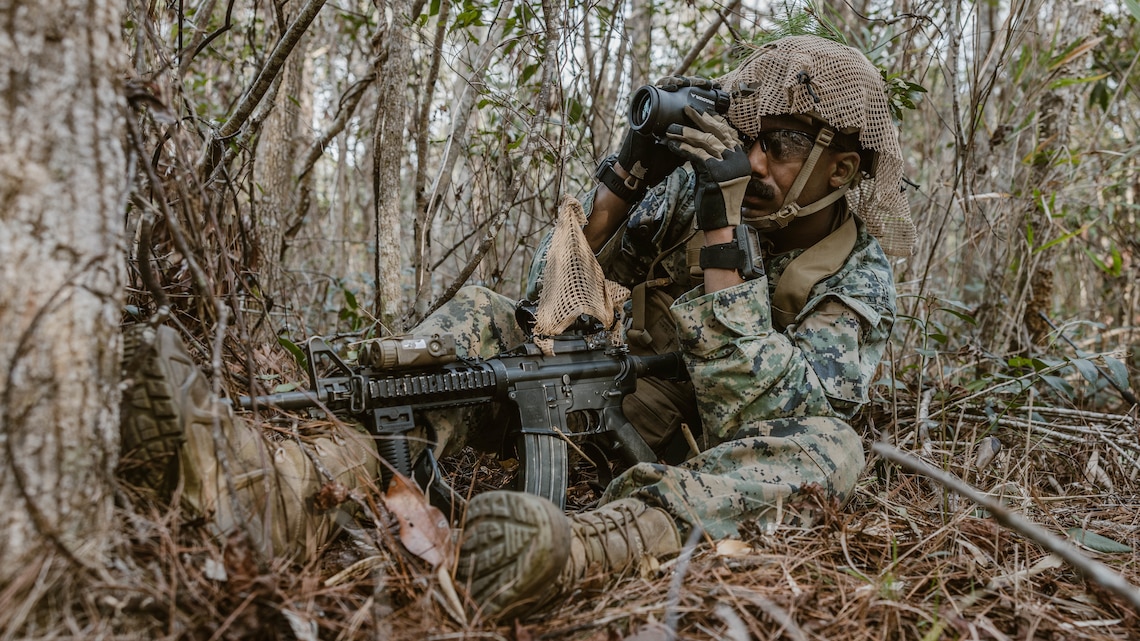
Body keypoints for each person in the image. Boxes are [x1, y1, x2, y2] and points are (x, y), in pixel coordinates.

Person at [119, 33, 913, 619]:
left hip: (695, 466)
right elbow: (547, 305)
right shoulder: (691, 192)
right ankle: (283, 481)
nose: (754, 158)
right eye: (748, 136)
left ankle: (567, 550)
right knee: (484, 319)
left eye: (779, 145)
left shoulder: (856, 276)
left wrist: (722, 231)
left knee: (831, 449)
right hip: (595, 399)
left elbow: (763, 420)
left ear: (839, 169)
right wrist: (625, 177)